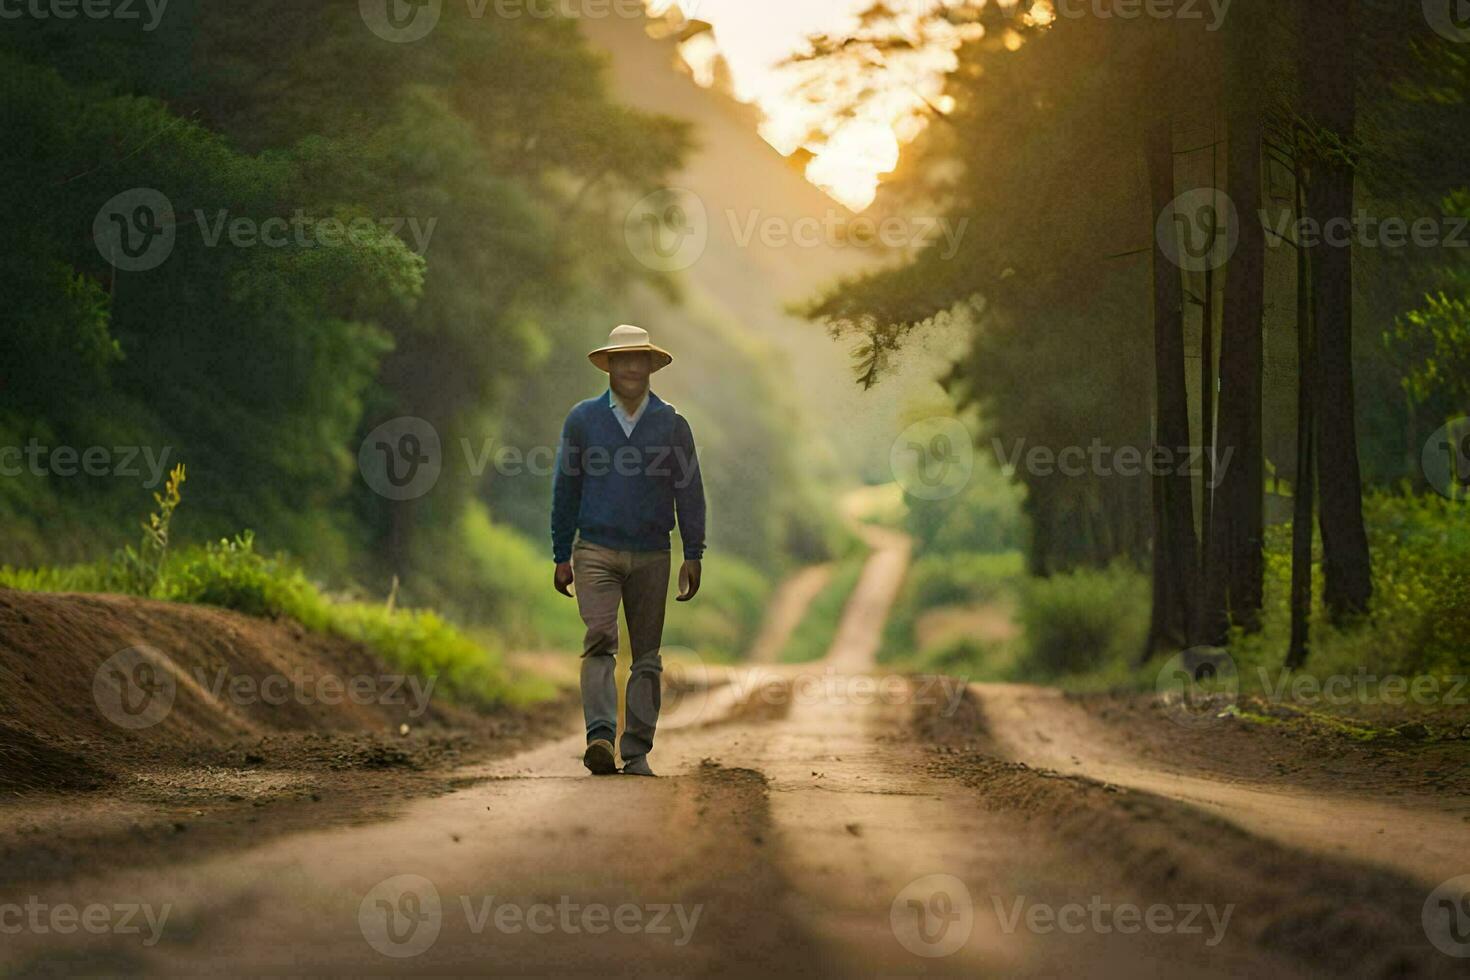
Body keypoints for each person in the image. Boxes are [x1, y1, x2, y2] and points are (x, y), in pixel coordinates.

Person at [550, 323, 705, 777]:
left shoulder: (673, 424)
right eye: (623, 360)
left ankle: (636, 751)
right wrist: (561, 553)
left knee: (647, 656)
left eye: (639, 359)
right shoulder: (583, 419)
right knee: (599, 639)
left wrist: (693, 552)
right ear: (610, 366)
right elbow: (566, 487)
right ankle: (599, 736)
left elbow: (689, 491)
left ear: (651, 366)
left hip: (654, 553)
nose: (631, 367)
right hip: (594, 548)